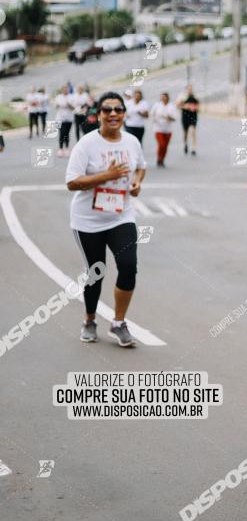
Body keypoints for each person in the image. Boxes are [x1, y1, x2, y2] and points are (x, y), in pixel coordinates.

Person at [65, 91, 146, 347]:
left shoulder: (132, 142)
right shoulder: (86, 145)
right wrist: (106, 175)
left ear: (124, 113)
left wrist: (136, 182)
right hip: (88, 220)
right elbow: (72, 182)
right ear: (98, 114)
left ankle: (119, 323)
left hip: (121, 216)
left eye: (118, 109)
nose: (113, 114)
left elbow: (141, 166)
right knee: (95, 273)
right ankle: (89, 320)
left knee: (128, 266)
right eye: (107, 110)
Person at [151, 91, 176, 167]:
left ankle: (162, 159)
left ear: (167, 98)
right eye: (162, 97)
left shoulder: (171, 106)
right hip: (158, 128)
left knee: (165, 146)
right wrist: (155, 119)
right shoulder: (157, 105)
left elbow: (175, 118)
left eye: (164, 97)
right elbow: (151, 114)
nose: (163, 99)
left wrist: (169, 117)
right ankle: (159, 158)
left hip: (168, 129)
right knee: (161, 144)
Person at [175, 84, 199, 156]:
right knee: (185, 132)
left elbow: (198, 105)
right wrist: (186, 106)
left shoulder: (195, 96)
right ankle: (185, 144)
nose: (190, 90)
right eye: (189, 89)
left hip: (193, 115)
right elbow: (178, 105)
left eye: (191, 89)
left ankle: (193, 148)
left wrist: (195, 108)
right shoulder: (182, 96)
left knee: (193, 131)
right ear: (186, 89)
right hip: (185, 115)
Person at [54, 85, 75, 156]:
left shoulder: (71, 97)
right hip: (60, 118)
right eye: (64, 89)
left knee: (67, 133)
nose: (65, 91)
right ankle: (60, 148)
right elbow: (56, 107)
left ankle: (67, 147)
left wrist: (68, 104)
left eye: (67, 89)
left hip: (69, 118)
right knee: (61, 133)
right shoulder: (58, 97)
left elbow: (73, 108)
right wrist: (58, 104)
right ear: (62, 90)